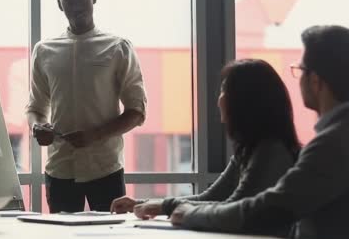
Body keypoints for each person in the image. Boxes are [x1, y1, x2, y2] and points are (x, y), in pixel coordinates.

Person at [171, 25, 349, 239]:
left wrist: (188, 213)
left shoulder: (333, 143)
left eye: (301, 70)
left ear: (315, 81)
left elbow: (267, 209)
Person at [111, 59, 300, 229]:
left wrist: (164, 207)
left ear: (246, 101)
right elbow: (211, 198)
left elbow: (233, 208)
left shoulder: (270, 151)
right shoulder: (249, 149)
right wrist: (142, 204)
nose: (219, 100)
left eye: (224, 91)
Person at [26, 0, 147, 213]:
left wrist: (95, 135)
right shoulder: (44, 51)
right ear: (60, 5)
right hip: (60, 170)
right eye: (69, 1)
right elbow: (36, 109)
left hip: (105, 169)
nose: (77, 6)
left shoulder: (118, 48)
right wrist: (38, 127)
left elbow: (136, 112)